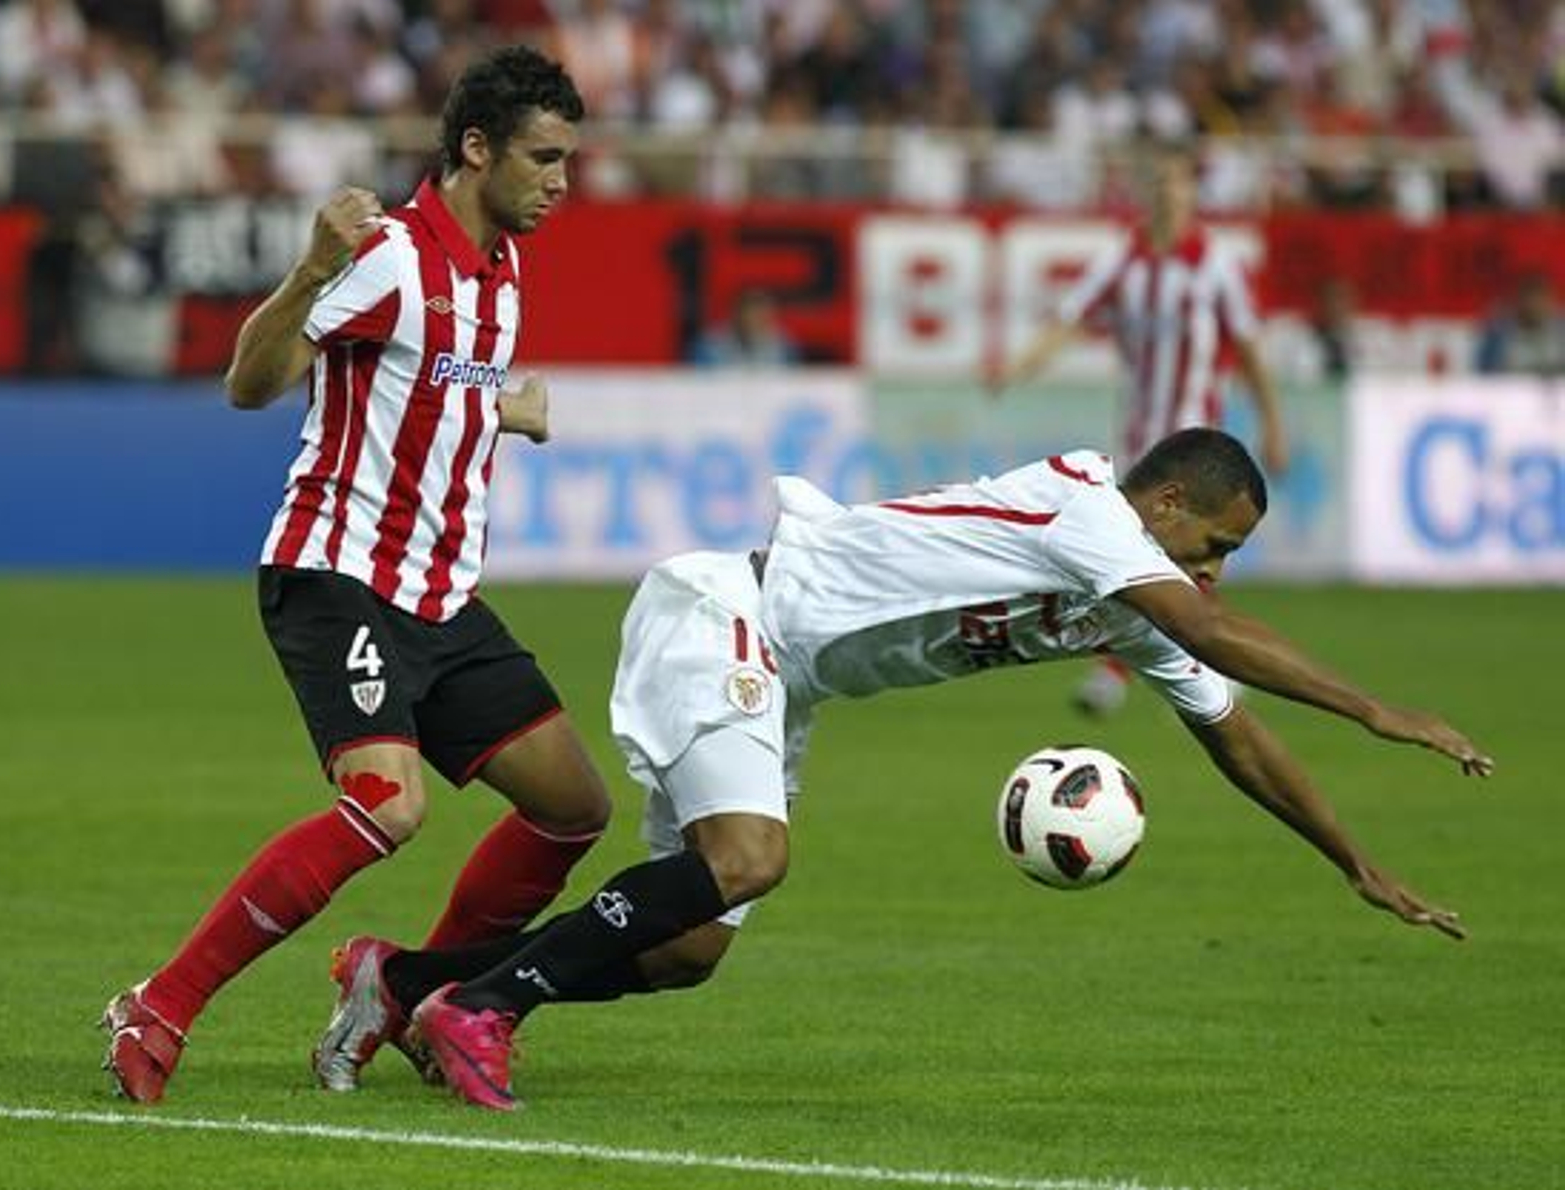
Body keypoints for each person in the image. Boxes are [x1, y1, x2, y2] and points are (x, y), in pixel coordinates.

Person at [311, 428, 1492, 1111]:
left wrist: (1351, 861)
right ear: (1169, 502)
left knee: (685, 949)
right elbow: (1215, 631)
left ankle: (404, 981)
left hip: (786, 679)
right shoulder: (1087, 510)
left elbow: (1235, 732)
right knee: (750, 859)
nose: (1215, 573)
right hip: (732, 615)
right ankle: (486, 1009)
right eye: (1215, 545)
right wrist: (1376, 711)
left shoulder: (1128, 606)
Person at [100, 46, 616, 1104]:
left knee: (572, 807)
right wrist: (308, 271)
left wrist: (501, 412)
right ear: (476, 149)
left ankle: (416, 990)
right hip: (339, 574)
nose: (563, 181)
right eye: (544, 158)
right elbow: (250, 384)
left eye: (568, 159)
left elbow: (423, 391)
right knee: (388, 804)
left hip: (440, 594)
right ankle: (159, 1004)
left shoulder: (502, 272)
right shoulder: (387, 258)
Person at [991, 139, 1289, 719]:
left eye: (1180, 183)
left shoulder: (1216, 263)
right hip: (1141, 439)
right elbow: (1070, 317)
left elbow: (1249, 349)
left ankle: (1123, 670)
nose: (1170, 194)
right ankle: (1194, 665)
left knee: (1172, 550)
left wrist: (1272, 423)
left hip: (1196, 439)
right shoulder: (1124, 258)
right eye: (1161, 182)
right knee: (1141, 552)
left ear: (1193, 192)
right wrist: (1020, 364)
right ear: (1148, 191)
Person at [1474, 272, 1565, 378]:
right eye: (1529, 300)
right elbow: (1485, 375)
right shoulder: (1498, 335)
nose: (1534, 306)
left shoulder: (1561, 332)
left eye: (1539, 300)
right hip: (1509, 386)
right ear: (1519, 301)